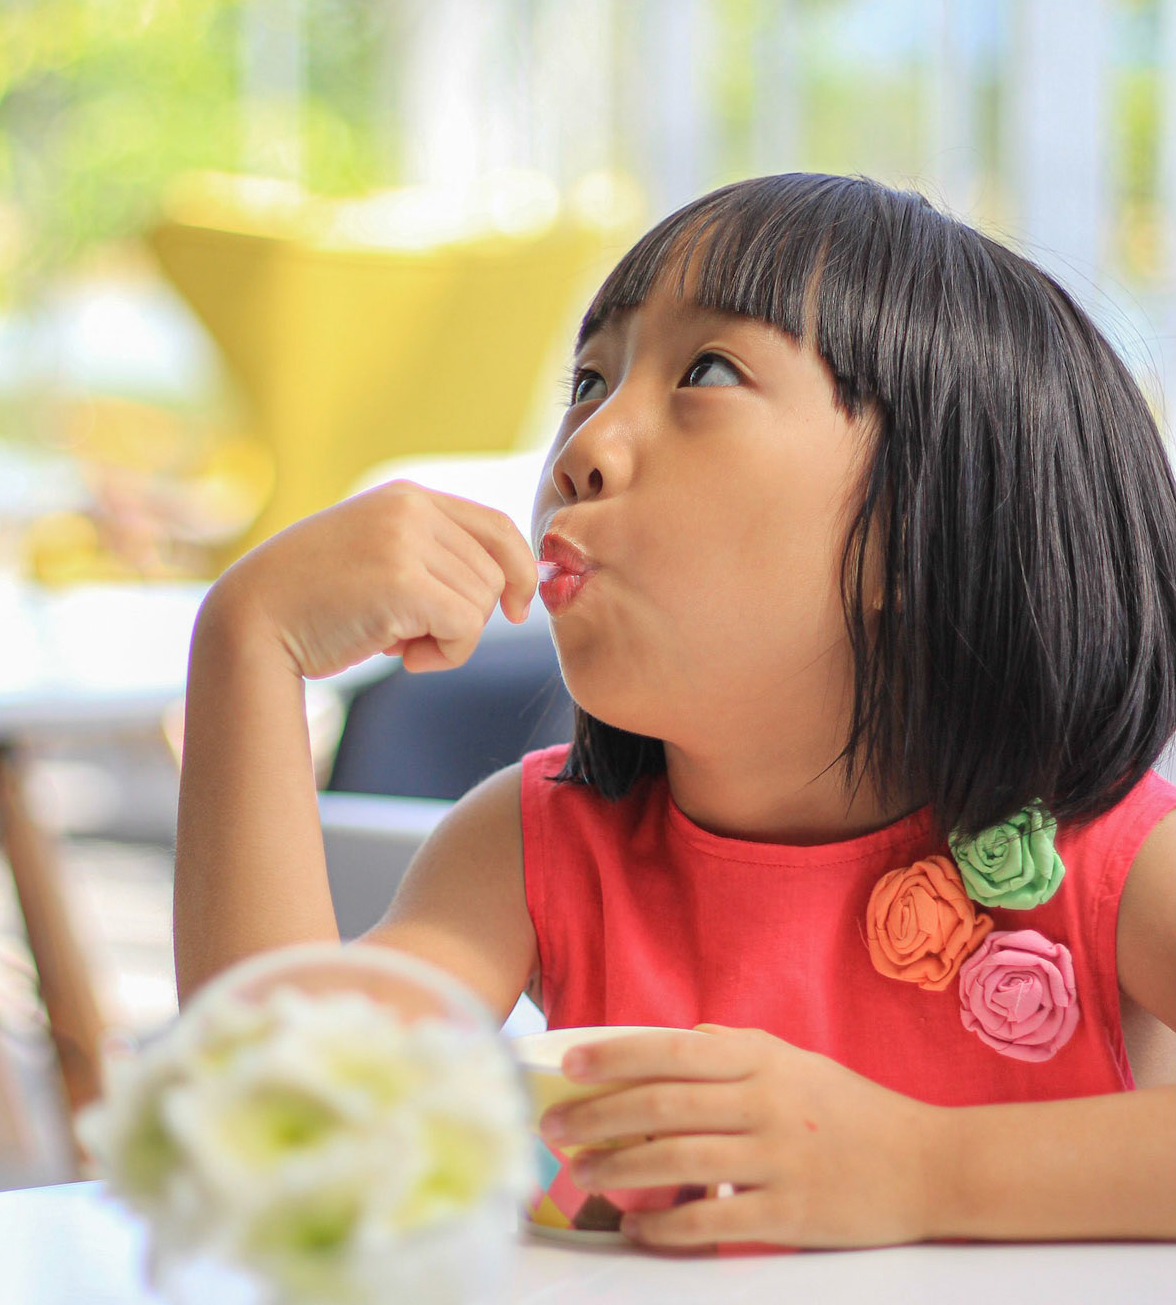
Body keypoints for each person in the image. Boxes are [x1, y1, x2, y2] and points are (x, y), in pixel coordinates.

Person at [174, 173, 1176, 1250]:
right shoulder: (534, 847)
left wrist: (923, 1170)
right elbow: (280, 1140)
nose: (582, 449)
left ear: (927, 525)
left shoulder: (1108, 861)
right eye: (590, 378)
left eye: (706, 370)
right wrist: (248, 646)